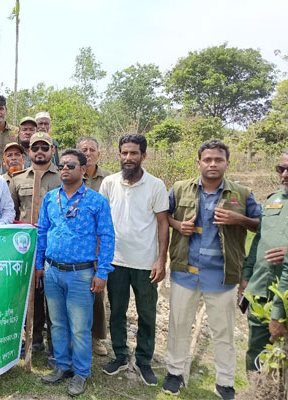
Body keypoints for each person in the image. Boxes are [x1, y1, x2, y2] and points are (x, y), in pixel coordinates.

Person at [163, 140, 261, 399]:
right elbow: (163, 216)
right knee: (178, 326)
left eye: (218, 160)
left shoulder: (241, 193)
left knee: (223, 331)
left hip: (223, 275)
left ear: (227, 163)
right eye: (207, 160)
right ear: (199, 163)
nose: (213, 164)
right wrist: (177, 225)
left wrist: (238, 219)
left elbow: (260, 225)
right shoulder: (180, 189)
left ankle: (225, 382)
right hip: (185, 272)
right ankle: (174, 373)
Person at [36, 149, 115, 397]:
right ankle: (62, 366)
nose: (65, 169)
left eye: (71, 165)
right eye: (62, 165)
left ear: (83, 169)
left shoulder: (96, 201)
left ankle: (81, 372)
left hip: (81, 274)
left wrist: (102, 272)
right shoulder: (50, 198)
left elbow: (107, 237)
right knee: (57, 324)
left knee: (80, 327)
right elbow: (41, 233)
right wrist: (39, 265)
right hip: (52, 271)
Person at [99, 133, 169, 387]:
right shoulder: (108, 183)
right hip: (115, 260)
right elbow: (102, 221)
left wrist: (161, 260)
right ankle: (119, 354)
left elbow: (163, 224)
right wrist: (101, 257)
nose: (128, 158)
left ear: (144, 156)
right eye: (124, 153)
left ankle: (143, 360)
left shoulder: (156, 185)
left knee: (147, 313)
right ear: (119, 155)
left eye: (133, 153)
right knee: (116, 311)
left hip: (145, 263)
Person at [9, 132, 61, 357]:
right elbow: (10, 212)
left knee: (53, 297)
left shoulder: (62, 177)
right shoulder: (18, 179)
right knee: (31, 294)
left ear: (52, 151)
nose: (40, 151)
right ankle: (34, 337)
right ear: (28, 151)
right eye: (35, 147)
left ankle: (55, 344)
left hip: (55, 246)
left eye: (44, 147)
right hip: (26, 247)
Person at [243, 148, 288, 372]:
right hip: (262, 288)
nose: (284, 174)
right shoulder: (274, 200)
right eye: (280, 169)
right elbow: (258, 241)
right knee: (257, 350)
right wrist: (246, 277)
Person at [77, 135, 112, 356]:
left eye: (92, 149)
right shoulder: (72, 175)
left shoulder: (108, 180)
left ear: (98, 154)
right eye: (84, 150)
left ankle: (97, 337)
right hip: (78, 244)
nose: (88, 153)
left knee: (97, 293)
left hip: (100, 243)